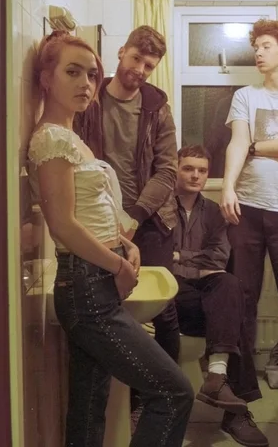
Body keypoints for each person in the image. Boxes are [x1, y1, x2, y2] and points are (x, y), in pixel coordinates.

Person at [27, 30, 194, 447]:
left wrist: (127, 243)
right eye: (72, 72)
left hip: (93, 280)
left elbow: (93, 210)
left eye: (90, 74)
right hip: (88, 286)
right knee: (173, 393)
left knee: (89, 404)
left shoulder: (70, 137)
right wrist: (118, 263)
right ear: (45, 79)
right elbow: (63, 225)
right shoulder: (52, 138)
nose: (86, 83)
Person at [74, 25, 181, 364]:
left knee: (163, 311)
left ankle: (164, 389)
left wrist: (134, 216)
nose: (140, 70)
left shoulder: (157, 108)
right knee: (109, 306)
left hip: (151, 222)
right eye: (136, 59)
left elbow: (168, 171)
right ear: (122, 52)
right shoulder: (90, 100)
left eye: (149, 65)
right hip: (100, 219)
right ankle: (126, 390)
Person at [221, 19, 278, 408]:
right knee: (242, 296)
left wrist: (259, 145)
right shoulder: (245, 95)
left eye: (266, 46)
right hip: (248, 207)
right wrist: (227, 186)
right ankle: (242, 381)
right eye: (256, 46)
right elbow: (238, 143)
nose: (258, 52)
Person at [173, 145, 269, 447]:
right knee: (231, 314)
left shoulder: (214, 212)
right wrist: (191, 261)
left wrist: (179, 256)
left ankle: (218, 381)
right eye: (188, 168)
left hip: (203, 294)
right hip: (171, 296)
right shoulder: (161, 208)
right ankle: (235, 409)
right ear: (175, 169)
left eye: (202, 170)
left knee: (229, 285)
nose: (196, 175)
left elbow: (217, 258)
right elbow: (159, 257)